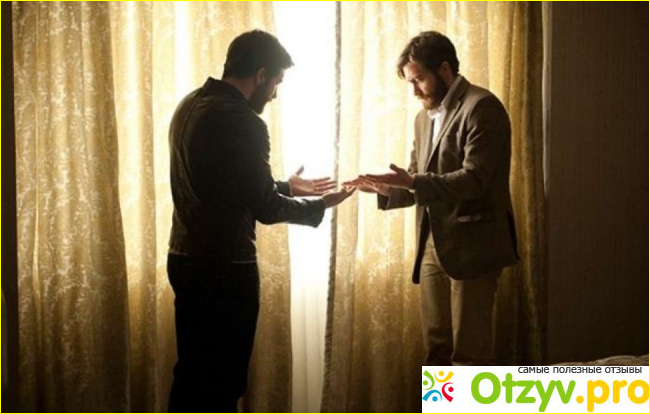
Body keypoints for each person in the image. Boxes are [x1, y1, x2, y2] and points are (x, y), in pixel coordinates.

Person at [167, 30, 354, 413]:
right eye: (276, 83)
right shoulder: (244, 121)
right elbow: (266, 208)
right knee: (223, 382)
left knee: (191, 376)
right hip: (225, 269)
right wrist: (319, 204)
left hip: (184, 259)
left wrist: (286, 185)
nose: (274, 95)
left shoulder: (190, 104)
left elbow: (223, 183)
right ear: (261, 75)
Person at [347, 31, 519, 366]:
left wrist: (413, 181)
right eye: (410, 82)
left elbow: (475, 179)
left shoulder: (482, 107)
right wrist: (387, 190)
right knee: (436, 351)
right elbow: (418, 179)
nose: (414, 91)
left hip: (473, 247)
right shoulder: (423, 118)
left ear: (445, 70)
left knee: (469, 355)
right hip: (431, 246)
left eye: (419, 80)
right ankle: (441, 398)